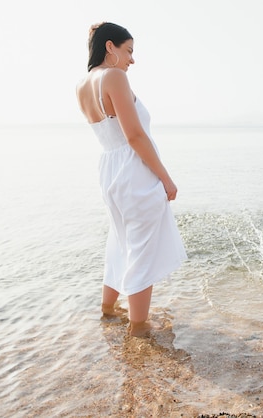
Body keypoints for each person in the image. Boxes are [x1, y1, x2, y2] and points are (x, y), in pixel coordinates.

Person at [76, 22, 187, 336]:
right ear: (110, 47)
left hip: (109, 168)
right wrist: (166, 178)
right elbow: (136, 136)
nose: (132, 60)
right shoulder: (113, 77)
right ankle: (139, 329)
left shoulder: (83, 84)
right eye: (128, 51)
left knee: (120, 241)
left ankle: (108, 310)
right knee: (142, 249)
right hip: (133, 168)